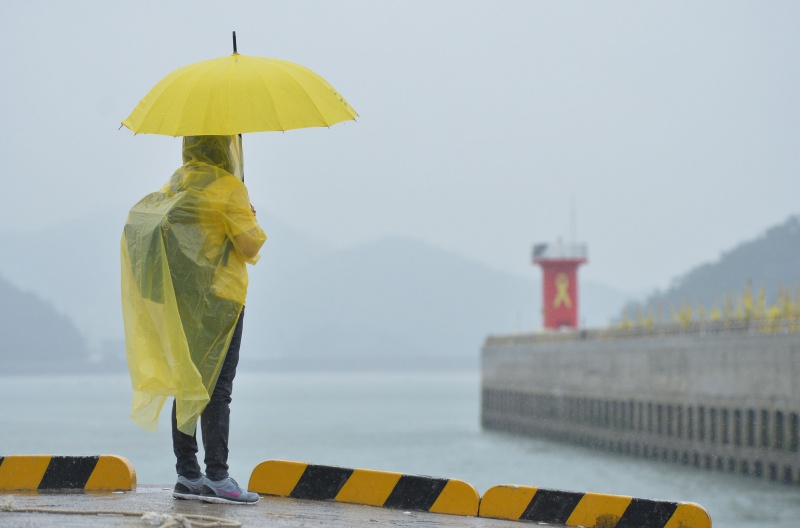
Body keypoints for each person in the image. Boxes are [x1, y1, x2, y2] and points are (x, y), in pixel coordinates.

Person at [121, 135, 266, 504]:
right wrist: (250, 215)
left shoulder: (178, 182)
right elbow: (249, 245)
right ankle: (218, 476)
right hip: (222, 299)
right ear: (226, 147)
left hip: (186, 299)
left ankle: (188, 474)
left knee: (188, 383)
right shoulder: (229, 188)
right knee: (219, 389)